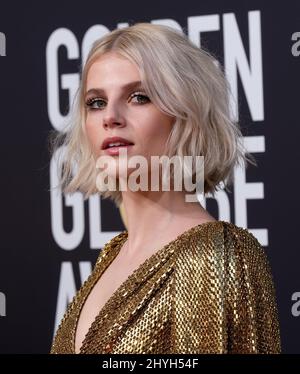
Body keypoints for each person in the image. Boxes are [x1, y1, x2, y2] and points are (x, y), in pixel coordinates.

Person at [50, 23, 281, 354]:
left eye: (139, 97)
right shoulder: (111, 256)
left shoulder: (216, 254)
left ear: (186, 115)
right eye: (96, 102)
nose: (110, 117)